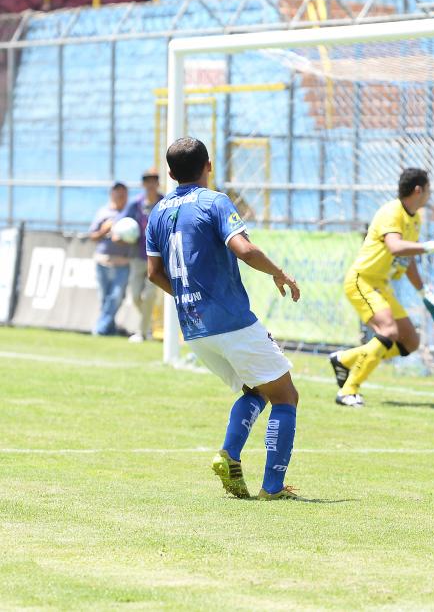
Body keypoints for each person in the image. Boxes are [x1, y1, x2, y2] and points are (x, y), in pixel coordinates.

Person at [146, 137, 303, 501]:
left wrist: (189, 298)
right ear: (209, 166)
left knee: (255, 389)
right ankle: (273, 488)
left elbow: (154, 273)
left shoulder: (157, 211)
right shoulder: (214, 201)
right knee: (284, 396)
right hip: (231, 321)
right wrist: (279, 272)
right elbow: (244, 250)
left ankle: (229, 456)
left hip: (194, 328)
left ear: (170, 173)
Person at [329, 168, 434, 408]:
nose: (430, 195)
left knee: (410, 342)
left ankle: (345, 359)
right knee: (389, 330)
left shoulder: (415, 218)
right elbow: (395, 247)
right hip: (362, 281)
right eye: (429, 189)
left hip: (381, 285)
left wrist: (425, 294)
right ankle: (348, 390)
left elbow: (407, 258)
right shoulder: (392, 211)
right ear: (418, 190)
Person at [119, 167, 164, 342]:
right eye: (147, 181)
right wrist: (118, 233)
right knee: (136, 296)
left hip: (158, 258)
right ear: (143, 184)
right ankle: (149, 326)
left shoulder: (164, 202)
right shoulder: (135, 204)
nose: (151, 184)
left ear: (158, 183)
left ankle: (143, 333)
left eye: (154, 180)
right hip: (138, 256)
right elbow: (122, 222)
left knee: (150, 295)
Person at [88, 182, 132, 336]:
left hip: (123, 262)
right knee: (104, 298)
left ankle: (99, 329)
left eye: (123, 193)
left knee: (116, 297)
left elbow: (137, 235)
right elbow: (92, 236)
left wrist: (125, 239)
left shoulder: (130, 213)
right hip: (103, 261)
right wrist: (103, 230)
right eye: (117, 193)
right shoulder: (103, 212)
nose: (120, 196)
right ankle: (110, 329)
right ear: (111, 194)